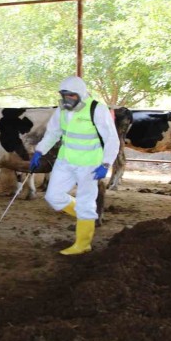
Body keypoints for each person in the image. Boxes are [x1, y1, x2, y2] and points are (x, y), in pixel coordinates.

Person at [29, 76, 119, 255]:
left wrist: (106, 163)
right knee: (53, 196)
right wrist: (39, 151)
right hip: (66, 161)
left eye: (71, 95)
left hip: (89, 164)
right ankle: (86, 215)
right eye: (64, 95)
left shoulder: (97, 109)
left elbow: (112, 139)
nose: (67, 99)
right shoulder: (61, 110)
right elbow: (53, 133)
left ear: (80, 94)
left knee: (86, 201)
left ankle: (83, 243)